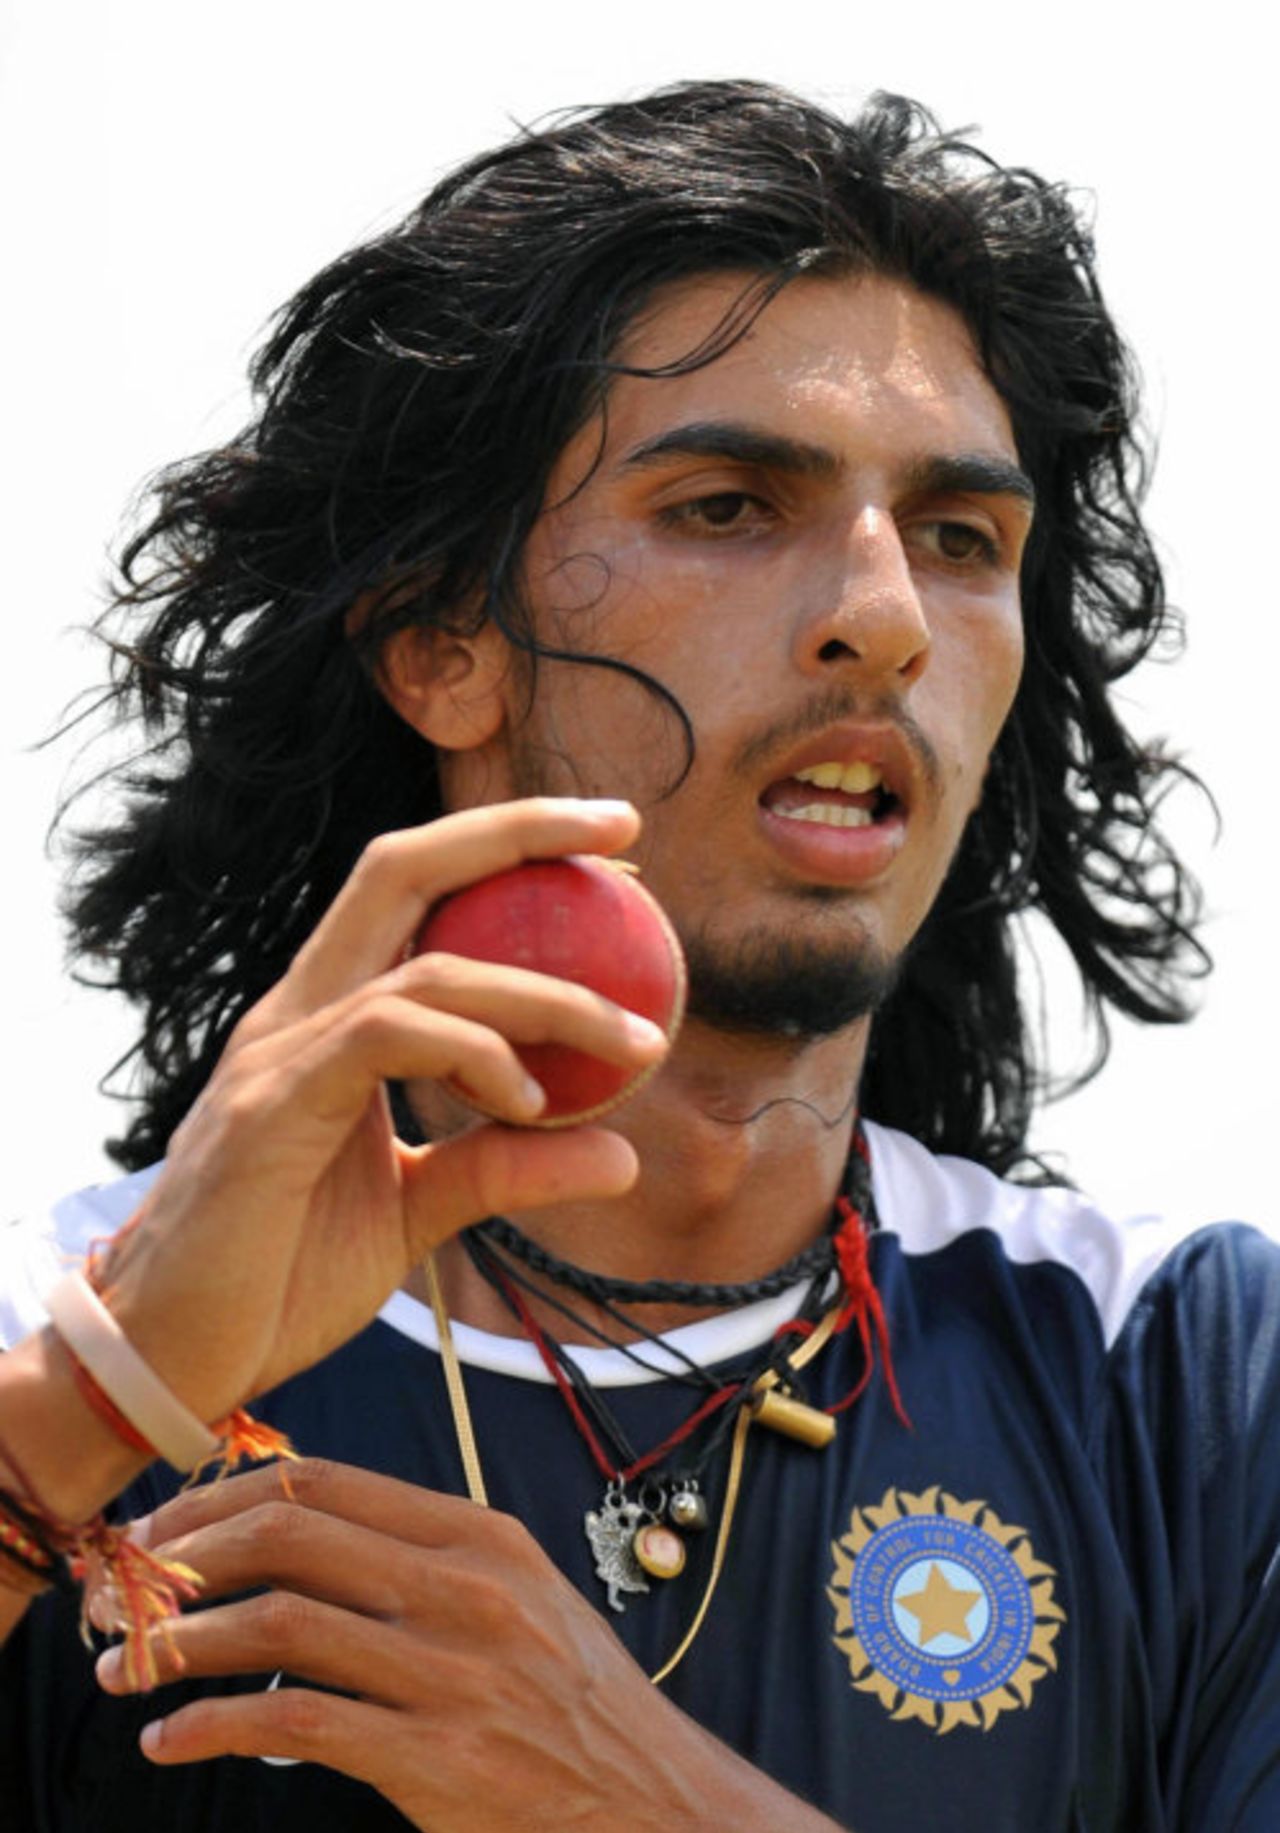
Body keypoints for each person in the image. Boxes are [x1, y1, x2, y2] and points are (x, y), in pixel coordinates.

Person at [0, 78, 1275, 1833]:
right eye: (733, 505)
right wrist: (101, 1389)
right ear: (447, 646)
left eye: (963, 539)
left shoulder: (1187, 1381)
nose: (888, 613)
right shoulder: (61, 1340)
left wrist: (637, 1795)